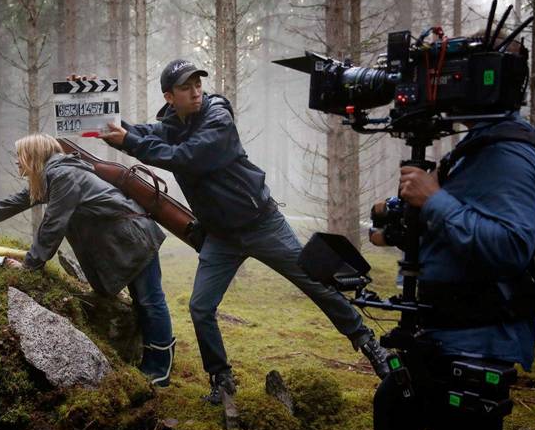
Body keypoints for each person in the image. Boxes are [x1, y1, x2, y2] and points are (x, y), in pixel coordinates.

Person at [92, 59, 389, 404]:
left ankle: (368, 343)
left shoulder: (217, 117)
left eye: (197, 83)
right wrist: (93, 113)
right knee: (201, 307)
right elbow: (138, 133)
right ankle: (222, 379)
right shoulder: (173, 124)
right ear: (169, 96)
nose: (196, 91)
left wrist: (130, 141)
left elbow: (188, 157)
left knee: (315, 283)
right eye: (186, 87)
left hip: (262, 224)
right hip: (221, 236)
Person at [370, 105, 535, 430]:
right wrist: (402, 222)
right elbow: (471, 217)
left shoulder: (508, 153)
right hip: (441, 336)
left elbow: (511, 246)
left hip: (474, 342)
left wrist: (432, 202)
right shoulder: (480, 147)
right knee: (393, 413)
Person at [0, 133, 176, 386]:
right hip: (127, 241)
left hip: (134, 240)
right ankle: (151, 363)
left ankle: (159, 368)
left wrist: (30, 266)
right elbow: (16, 201)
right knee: (145, 301)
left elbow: (53, 225)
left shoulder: (63, 175)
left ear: (34, 155)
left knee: (150, 301)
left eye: (20, 156)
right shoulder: (54, 176)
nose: (17, 162)